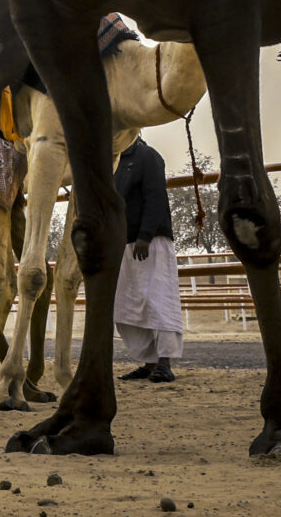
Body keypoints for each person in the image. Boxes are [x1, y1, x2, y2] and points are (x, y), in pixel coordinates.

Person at [112, 133, 183, 382]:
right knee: (126, 305)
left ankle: (165, 362)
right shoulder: (114, 160)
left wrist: (145, 236)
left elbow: (156, 198)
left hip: (150, 243)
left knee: (158, 301)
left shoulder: (148, 156)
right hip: (122, 244)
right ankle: (150, 362)